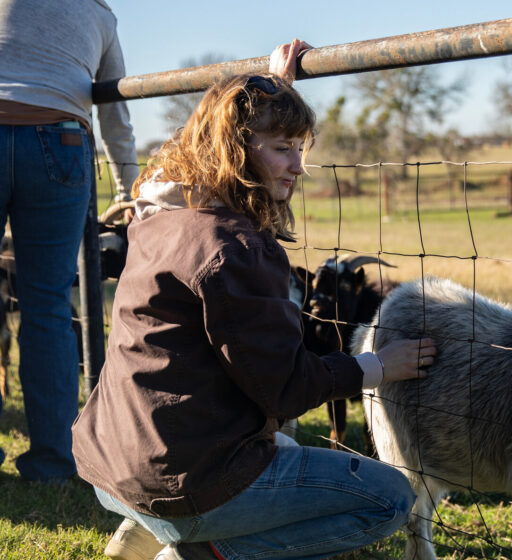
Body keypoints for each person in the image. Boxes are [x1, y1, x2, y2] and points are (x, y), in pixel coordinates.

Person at [72, 40, 437, 560]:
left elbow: (207, 136)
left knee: (281, 447)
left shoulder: (156, 211)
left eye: (299, 147)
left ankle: (141, 532)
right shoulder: (235, 247)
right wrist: (375, 366)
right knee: (389, 499)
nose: (298, 166)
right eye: (282, 148)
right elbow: (285, 391)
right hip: (181, 481)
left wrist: (273, 92)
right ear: (236, 151)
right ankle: (196, 551)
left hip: (113, 464)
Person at [0, 0, 139, 481]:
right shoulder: (97, 12)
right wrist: (127, 191)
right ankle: (52, 462)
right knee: (48, 306)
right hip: (59, 140)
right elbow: (115, 112)